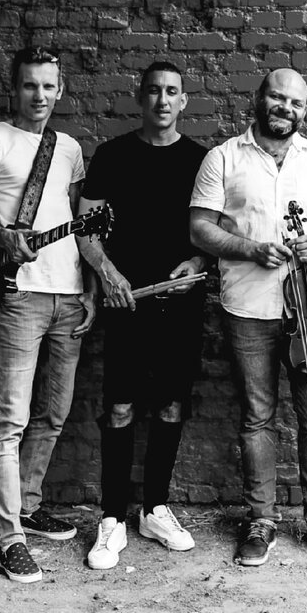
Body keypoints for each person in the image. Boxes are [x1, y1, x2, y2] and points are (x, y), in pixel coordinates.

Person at [189, 68, 307, 566]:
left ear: (305, 110)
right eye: (278, 98)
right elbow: (200, 228)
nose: (286, 108)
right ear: (259, 99)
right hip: (249, 308)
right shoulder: (223, 158)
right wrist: (250, 248)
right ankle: (261, 519)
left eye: (296, 103)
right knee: (256, 419)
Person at [0, 46, 95, 583]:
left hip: (70, 295)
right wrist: (3, 237)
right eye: (29, 85)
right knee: (10, 420)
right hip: (21, 294)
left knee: (54, 413)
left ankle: (28, 504)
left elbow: (80, 227)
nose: (39, 95)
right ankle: (9, 539)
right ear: (13, 88)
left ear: (59, 90)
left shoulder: (70, 149)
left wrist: (91, 289)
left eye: (48, 86)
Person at [76, 62, 208, 570]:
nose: (162, 100)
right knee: (120, 408)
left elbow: (215, 228)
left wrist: (197, 261)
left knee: (171, 405)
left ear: (183, 101)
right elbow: (85, 229)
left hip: (181, 302)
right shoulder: (113, 155)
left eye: (172, 91)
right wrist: (107, 274)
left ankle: (154, 509)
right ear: (140, 97)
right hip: (125, 301)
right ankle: (112, 517)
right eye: (153, 91)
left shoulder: (201, 160)